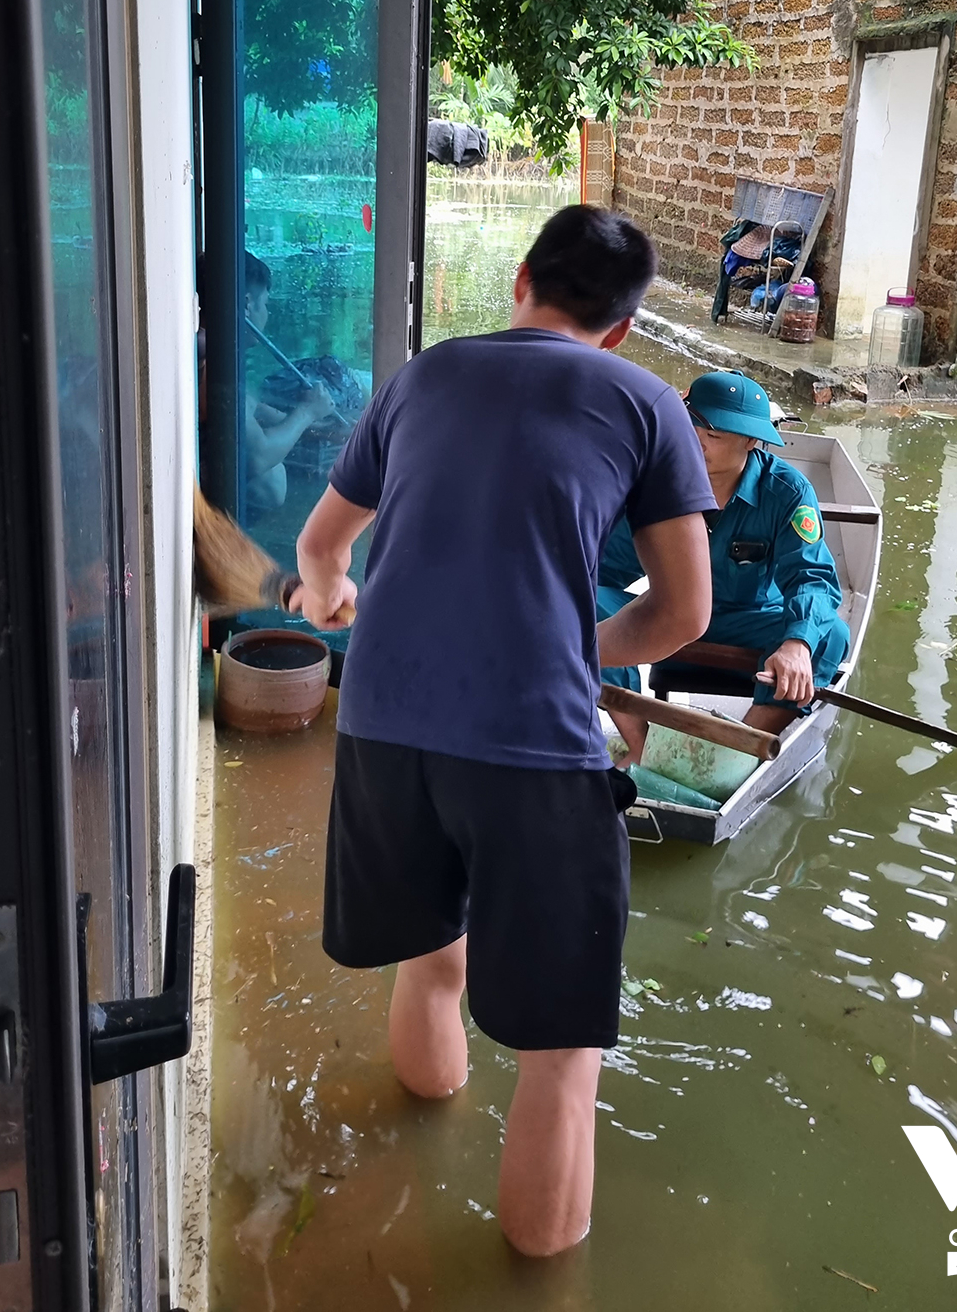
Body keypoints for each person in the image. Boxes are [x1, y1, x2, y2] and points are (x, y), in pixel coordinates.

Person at [292, 206, 714, 1257]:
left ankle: (421, 1130)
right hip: (532, 749)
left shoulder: (421, 377)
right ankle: (536, 1273)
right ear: (620, 326)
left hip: (381, 726)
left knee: (432, 960)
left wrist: (330, 591)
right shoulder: (646, 402)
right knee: (561, 1051)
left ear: (519, 278)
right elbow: (681, 616)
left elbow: (319, 548)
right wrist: (580, 650)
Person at [599, 369, 848, 741]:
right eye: (689, 428)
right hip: (669, 614)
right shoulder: (657, 484)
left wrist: (796, 644)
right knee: (577, 604)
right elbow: (605, 570)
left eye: (713, 435)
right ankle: (638, 742)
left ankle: (739, 750)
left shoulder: (786, 492)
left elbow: (811, 577)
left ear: (750, 441)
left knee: (828, 634)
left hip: (748, 621)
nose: (696, 443)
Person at [243, 252, 333, 513]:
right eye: (266, 305)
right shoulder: (210, 362)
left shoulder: (220, 356)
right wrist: (306, 412)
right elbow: (257, 457)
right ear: (247, 304)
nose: (267, 315)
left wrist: (315, 423)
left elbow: (249, 406)